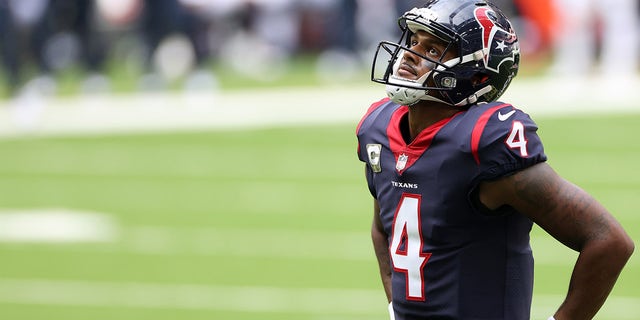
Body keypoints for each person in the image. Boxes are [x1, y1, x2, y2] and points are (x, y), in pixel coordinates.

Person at [355, 0, 634, 319]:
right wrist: (396, 306)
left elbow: (609, 241)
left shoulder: (481, 142)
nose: (409, 54)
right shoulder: (378, 127)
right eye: (415, 41)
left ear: (475, 76)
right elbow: (384, 228)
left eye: (433, 50)